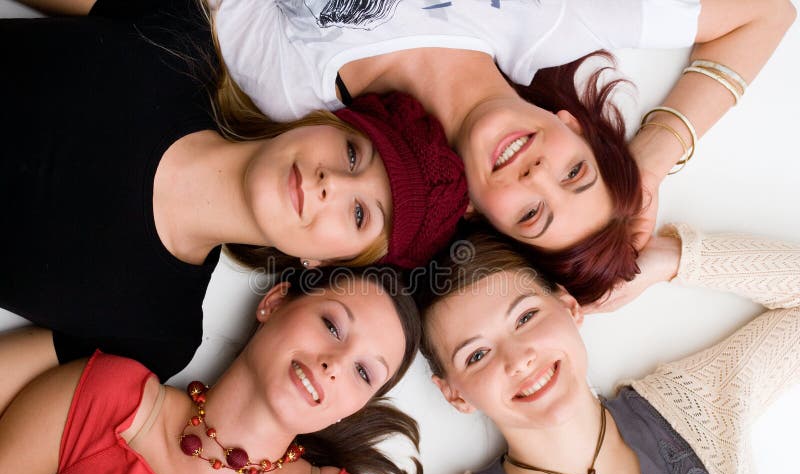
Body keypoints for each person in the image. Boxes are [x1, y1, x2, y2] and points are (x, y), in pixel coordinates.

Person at [0, 0, 468, 410]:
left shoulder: (157, 335)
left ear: (324, 263)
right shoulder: (179, 35)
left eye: (360, 214)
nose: (333, 184)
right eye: (353, 153)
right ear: (327, 122)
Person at [205, 0, 795, 303]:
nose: (538, 173)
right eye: (575, 172)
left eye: (532, 212)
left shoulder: (303, 102)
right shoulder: (555, 19)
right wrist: (649, 162)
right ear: (573, 125)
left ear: (476, 213)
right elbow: (768, 12)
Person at [413, 222, 800, 474]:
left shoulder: (696, 401)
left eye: (526, 317)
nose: (519, 360)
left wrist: (665, 261)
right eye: (477, 355)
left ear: (569, 308)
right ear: (455, 395)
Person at [0, 267, 425, 474]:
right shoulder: (105, 400)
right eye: (332, 326)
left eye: (363, 373)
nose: (334, 364)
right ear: (274, 303)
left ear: (354, 408)